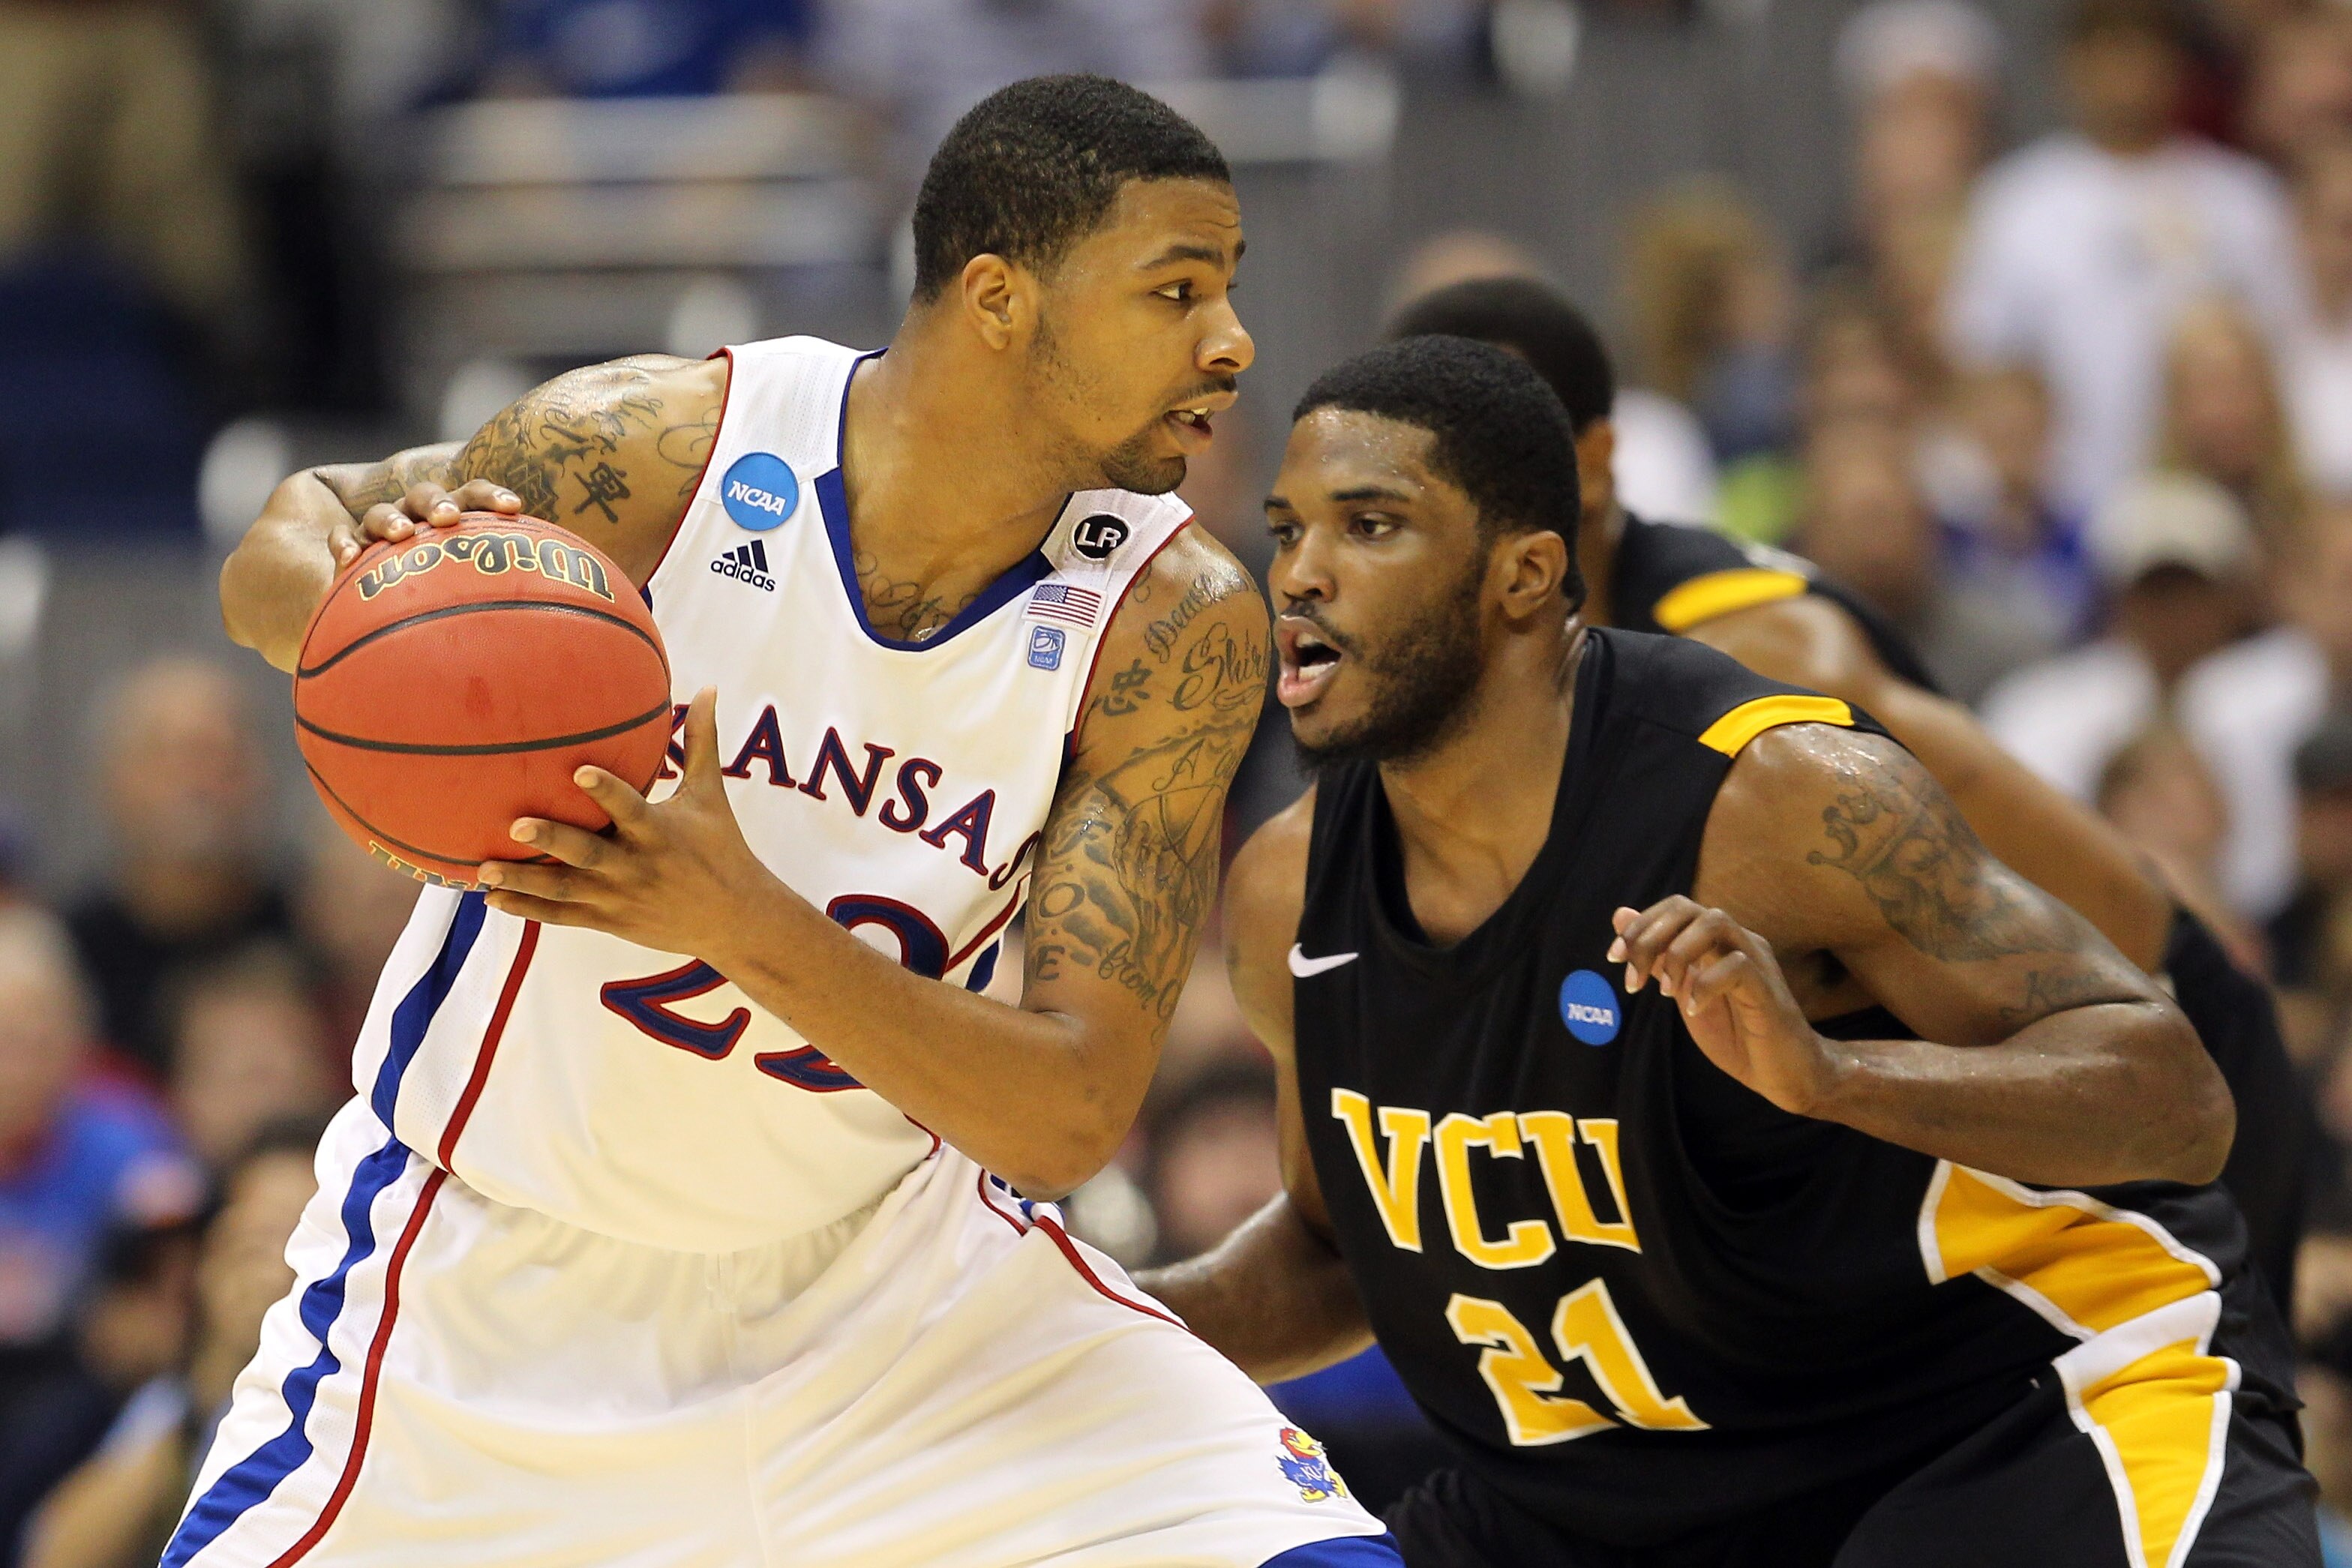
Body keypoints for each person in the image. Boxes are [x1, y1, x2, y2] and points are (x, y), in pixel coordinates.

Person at [189, 74, 1396, 1568]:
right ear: (999, 297)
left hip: (895, 1304)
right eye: (1175, 291)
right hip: (488, 1305)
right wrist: (375, 624)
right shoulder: (662, 451)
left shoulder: (1167, 621)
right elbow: (283, 543)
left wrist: (735, 919)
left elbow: (1070, 1109)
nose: (1231, 342)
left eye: (1225, 292)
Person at [1140, 333, 2318, 1566]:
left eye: (1368, 527)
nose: (1301, 576)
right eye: (1285, 531)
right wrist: (1086, 1317)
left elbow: (2177, 1099)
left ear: (1524, 575)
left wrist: (1833, 1079)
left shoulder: (1775, 797)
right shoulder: (1287, 893)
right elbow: (1338, 1256)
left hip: (2016, 1414)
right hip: (1639, 1498)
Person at [1383, 274, 2312, 1315]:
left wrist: (2167, 1020)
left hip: (2135, 1043)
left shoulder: (1765, 653)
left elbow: (2115, 932)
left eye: (1498, 454)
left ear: (1595, 463)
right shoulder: (1502, 675)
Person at [1946, 0, 2301, 517]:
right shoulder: (2016, 204)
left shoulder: (2242, 200)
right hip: (2065, 507)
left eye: (2143, 49)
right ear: (2071, 64)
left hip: (2217, 506)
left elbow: (2280, 349)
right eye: (2107, 50)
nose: (2126, 74)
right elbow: (1983, 363)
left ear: (2178, 65)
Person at [64, 658, 296, 1078]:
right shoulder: (67, 959)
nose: (201, 784)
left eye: (224, 756)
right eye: (172, 757)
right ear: (113, 779)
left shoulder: (313, 931)